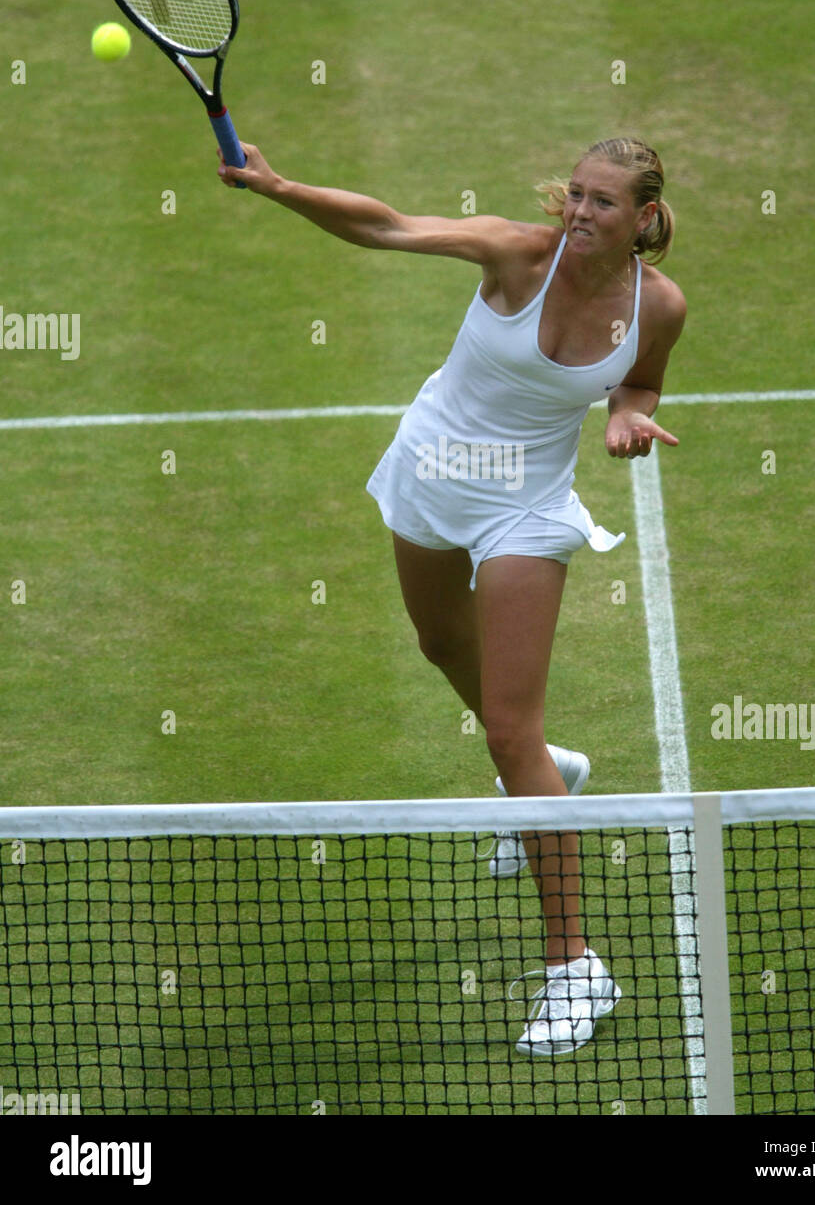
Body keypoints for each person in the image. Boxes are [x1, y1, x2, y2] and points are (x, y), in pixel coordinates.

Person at [218, 135, 687, 1056]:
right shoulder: (515, 250)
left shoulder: (658, 306)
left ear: (642, 218)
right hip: (432, 473)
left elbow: (637, 386)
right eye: (576, 196)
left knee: (509, 730)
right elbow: (388, 227)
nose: (579, 214)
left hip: (528, 507)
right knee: (441, 647)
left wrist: (629, 419)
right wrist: (278, 186)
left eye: (602, 203)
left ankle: (574, 968)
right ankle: (556, 768)